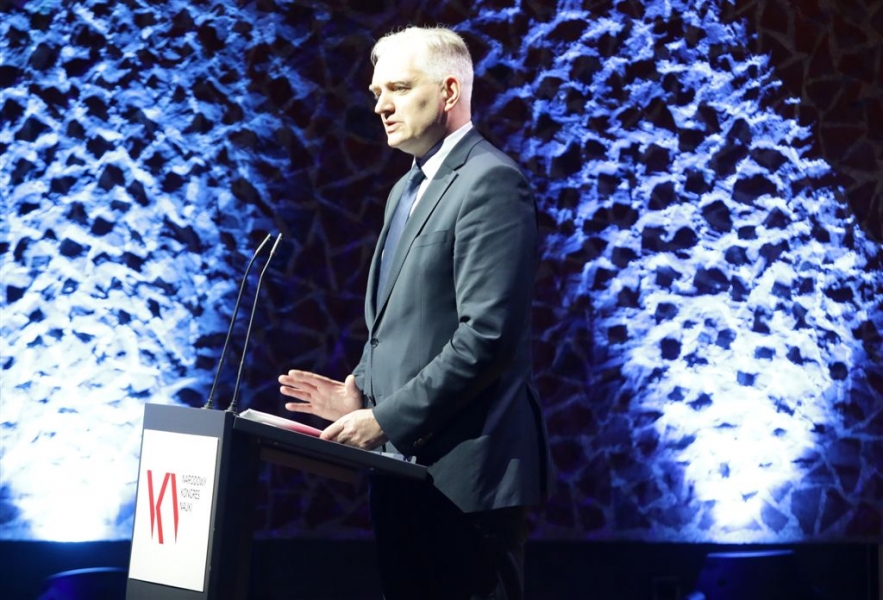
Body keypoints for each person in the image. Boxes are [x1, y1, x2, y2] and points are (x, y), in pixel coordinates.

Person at [279, 25, 551, 600]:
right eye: (377, 92)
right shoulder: (405, 190)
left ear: (449, 91)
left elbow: (486, 337)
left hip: (467, 480)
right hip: (403, 473)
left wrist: (385, 419)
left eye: (399, 89)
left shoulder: (491, 182)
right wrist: (363, 394)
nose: (381, 106)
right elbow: (404, 321)